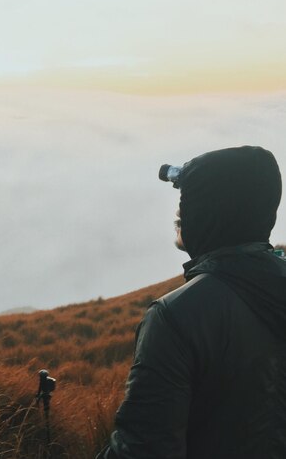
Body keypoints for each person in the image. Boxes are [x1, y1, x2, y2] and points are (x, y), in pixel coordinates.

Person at [96, 145, 286, 459]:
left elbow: (144, 450)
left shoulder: (175, 317)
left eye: (192, 197)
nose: (179, 211)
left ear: (215, 210)